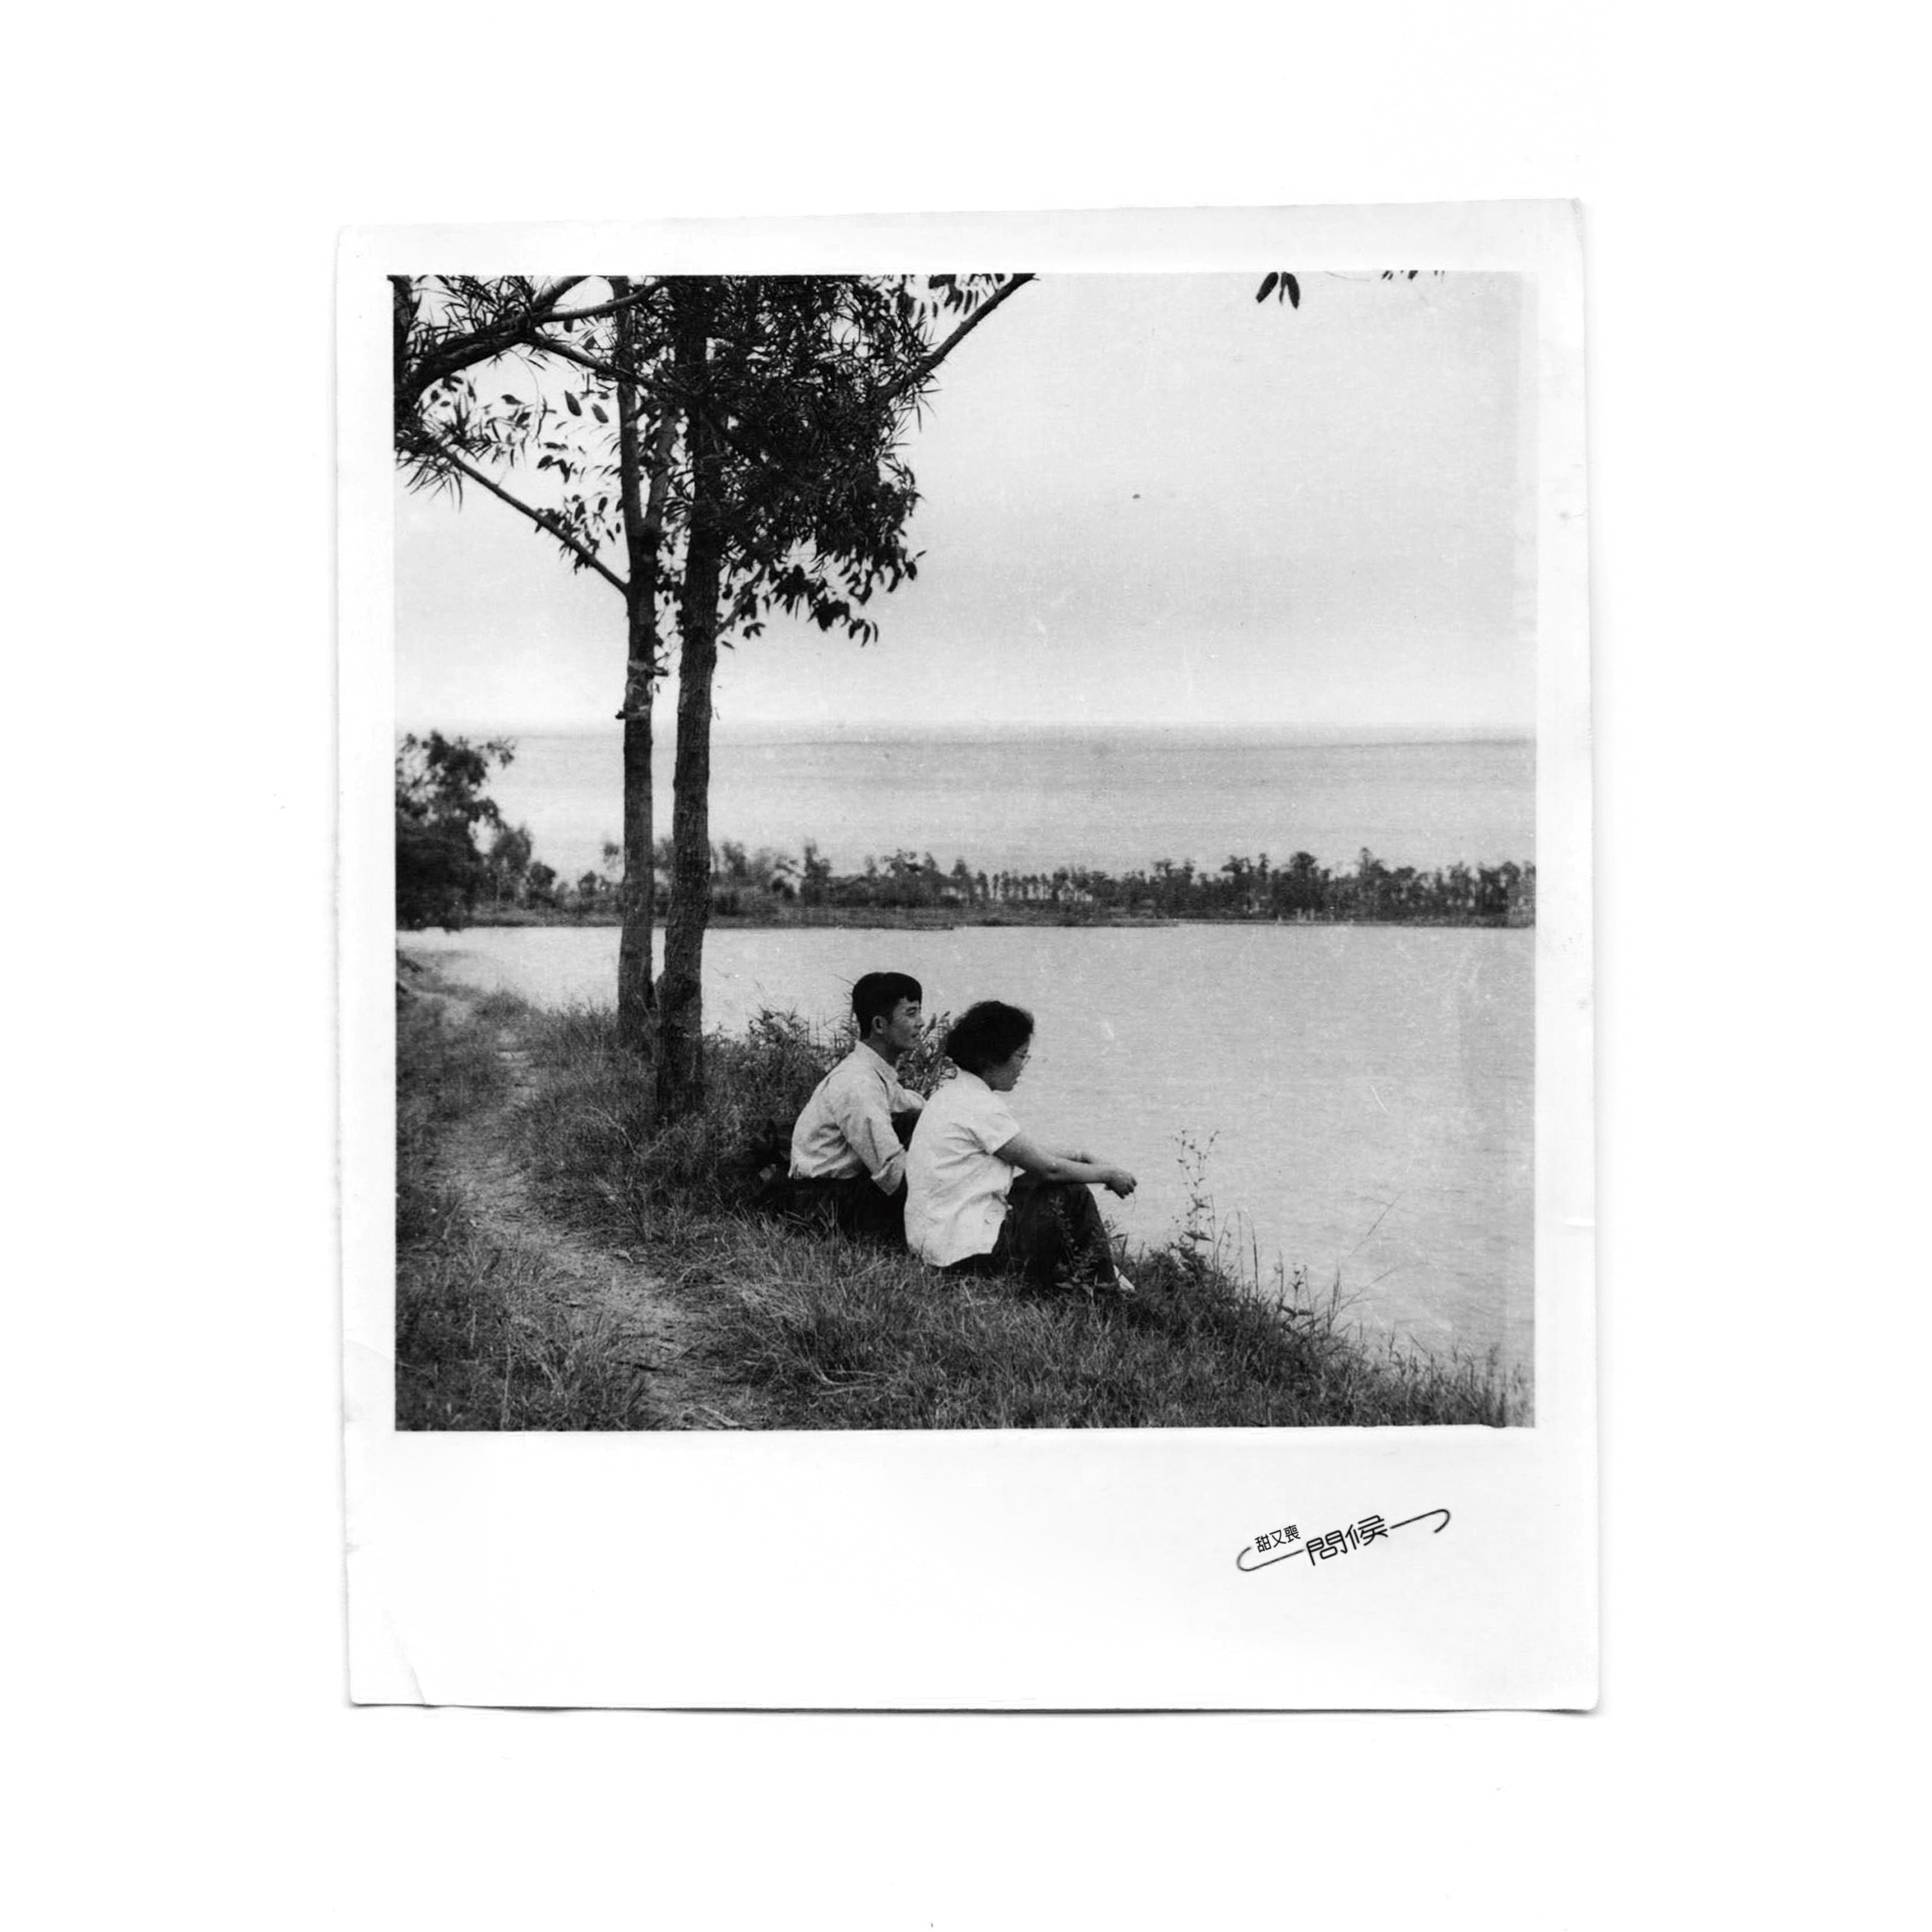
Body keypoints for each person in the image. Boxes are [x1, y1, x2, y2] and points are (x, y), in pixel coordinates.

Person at [905, 1000, 1138, 1294]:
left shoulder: (953, 1094)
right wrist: (1109, 1174)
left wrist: (1080, 1155)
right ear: (991, 1058)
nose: (1022, 1067)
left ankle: (1093, 1276)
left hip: (936, 1245)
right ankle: (1108, 1291)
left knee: (1035, 1185)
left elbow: (1024, 1152)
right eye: (1021, 1056)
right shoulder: (981, 1106)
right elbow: (1049, 1169)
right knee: (1072, 1194)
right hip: (968, 1258)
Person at [788, 971, 927, 1241]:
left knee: (920, 1119)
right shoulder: (857, 1082)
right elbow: (892, 1171)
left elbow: (914, 1106)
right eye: (911, 1014)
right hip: (824, 1205)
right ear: (879, 1025)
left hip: (839, 1192)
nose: (921, 1023)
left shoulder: (872, 1071)